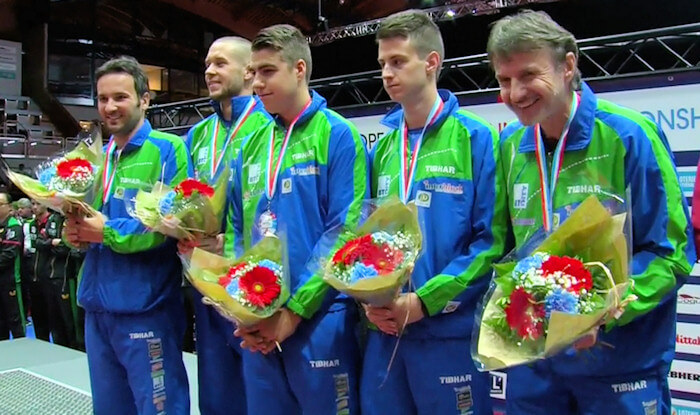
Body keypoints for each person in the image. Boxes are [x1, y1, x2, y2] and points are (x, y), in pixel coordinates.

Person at [489, 10, 694, 414]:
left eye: (529, 75)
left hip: (618, 362)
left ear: (568, 66)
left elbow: (672, 252)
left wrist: (601, 311)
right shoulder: (511, 144)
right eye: (504, 80)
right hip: (534, 366)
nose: (515, 93)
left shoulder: (628, 135)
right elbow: (505, 249)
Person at [360, 10, 507, 415]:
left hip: (448, 335)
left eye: (397, 62)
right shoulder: (384, 149)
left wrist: (425, 301)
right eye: (382, 64)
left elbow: (491, 242)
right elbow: (368, 240)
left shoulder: (475, 138)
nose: (386, 74)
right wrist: (366, 299)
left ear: (431, 63)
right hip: (386, 332)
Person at [230, 24, 368, 415]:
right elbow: (235, 229)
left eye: (268, 71)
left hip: (320, 319)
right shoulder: (252, 144)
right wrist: (242, 302)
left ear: (300, 69)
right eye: (254, 72)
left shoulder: (339, 136)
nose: (257, 83)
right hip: (260, 320)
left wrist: (292, 313)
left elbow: (346, 234)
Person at [64, 56, 191, 415]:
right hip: (97, 308)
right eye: (103, 99)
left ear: (144, 99)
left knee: (159, 409)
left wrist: (106, 233)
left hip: (145, 309)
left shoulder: (168, 150)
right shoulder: (98, 158)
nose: (109, 107)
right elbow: (89, 220)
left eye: (120, 97)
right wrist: (75, 231)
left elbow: (171, 225)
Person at [181, 35, 271, 415]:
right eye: (207, 64)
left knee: (261, 392)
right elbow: (183, 201)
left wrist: (231, 244)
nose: (209, 71)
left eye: (220, 63)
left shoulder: (270, 126)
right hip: (207, 282)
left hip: (259, 286)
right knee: (217, 396)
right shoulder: (197, 135)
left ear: (249, 71)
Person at [34, 209, 76, 348]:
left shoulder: (73, 220)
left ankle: (74, 349)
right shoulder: (53, 219)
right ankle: (59, 348)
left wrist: (51, 245)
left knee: (68, 319)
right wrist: (53, 242)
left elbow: (67, 248)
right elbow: (39, 243)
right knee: (54, 318)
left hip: (64, 276)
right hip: (48, 276)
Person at [0, 192, 25, 340]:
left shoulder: (14, 226)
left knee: (15, 321)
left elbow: (8, 255)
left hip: (11, 282)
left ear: (9, 207)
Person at [28, 201, 51, 341]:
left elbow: (59, 247)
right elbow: (34, 245)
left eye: (37, 203)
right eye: (32, 204)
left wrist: (43, 244)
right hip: (33, 276)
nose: (34, 207)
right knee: (37, 317)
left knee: (53, 318)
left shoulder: (52, 221)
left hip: (49, 276)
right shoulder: (31, 225)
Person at [16, 198, 34, 324]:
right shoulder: (17, 223)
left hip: (33, 257)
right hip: (22, 258)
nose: (20, 210)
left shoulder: (33, 222)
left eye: (23, 208)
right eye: (19, 208)